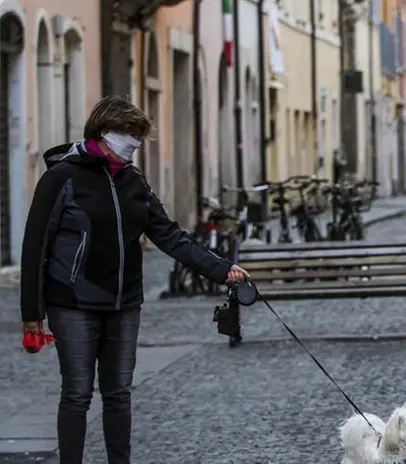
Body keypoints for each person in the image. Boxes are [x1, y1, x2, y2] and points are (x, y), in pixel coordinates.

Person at [20, 96, 249, 464]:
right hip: (73, 302)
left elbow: (168, 234)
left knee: (119, 394)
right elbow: (35, 245)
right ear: (104, 131)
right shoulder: (61, 177)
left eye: (138, 136)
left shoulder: (133, 180)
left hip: (124, 303)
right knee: (77, 394)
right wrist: (32, 312)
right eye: (129, 134)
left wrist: (221, 269)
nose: (134, 144)